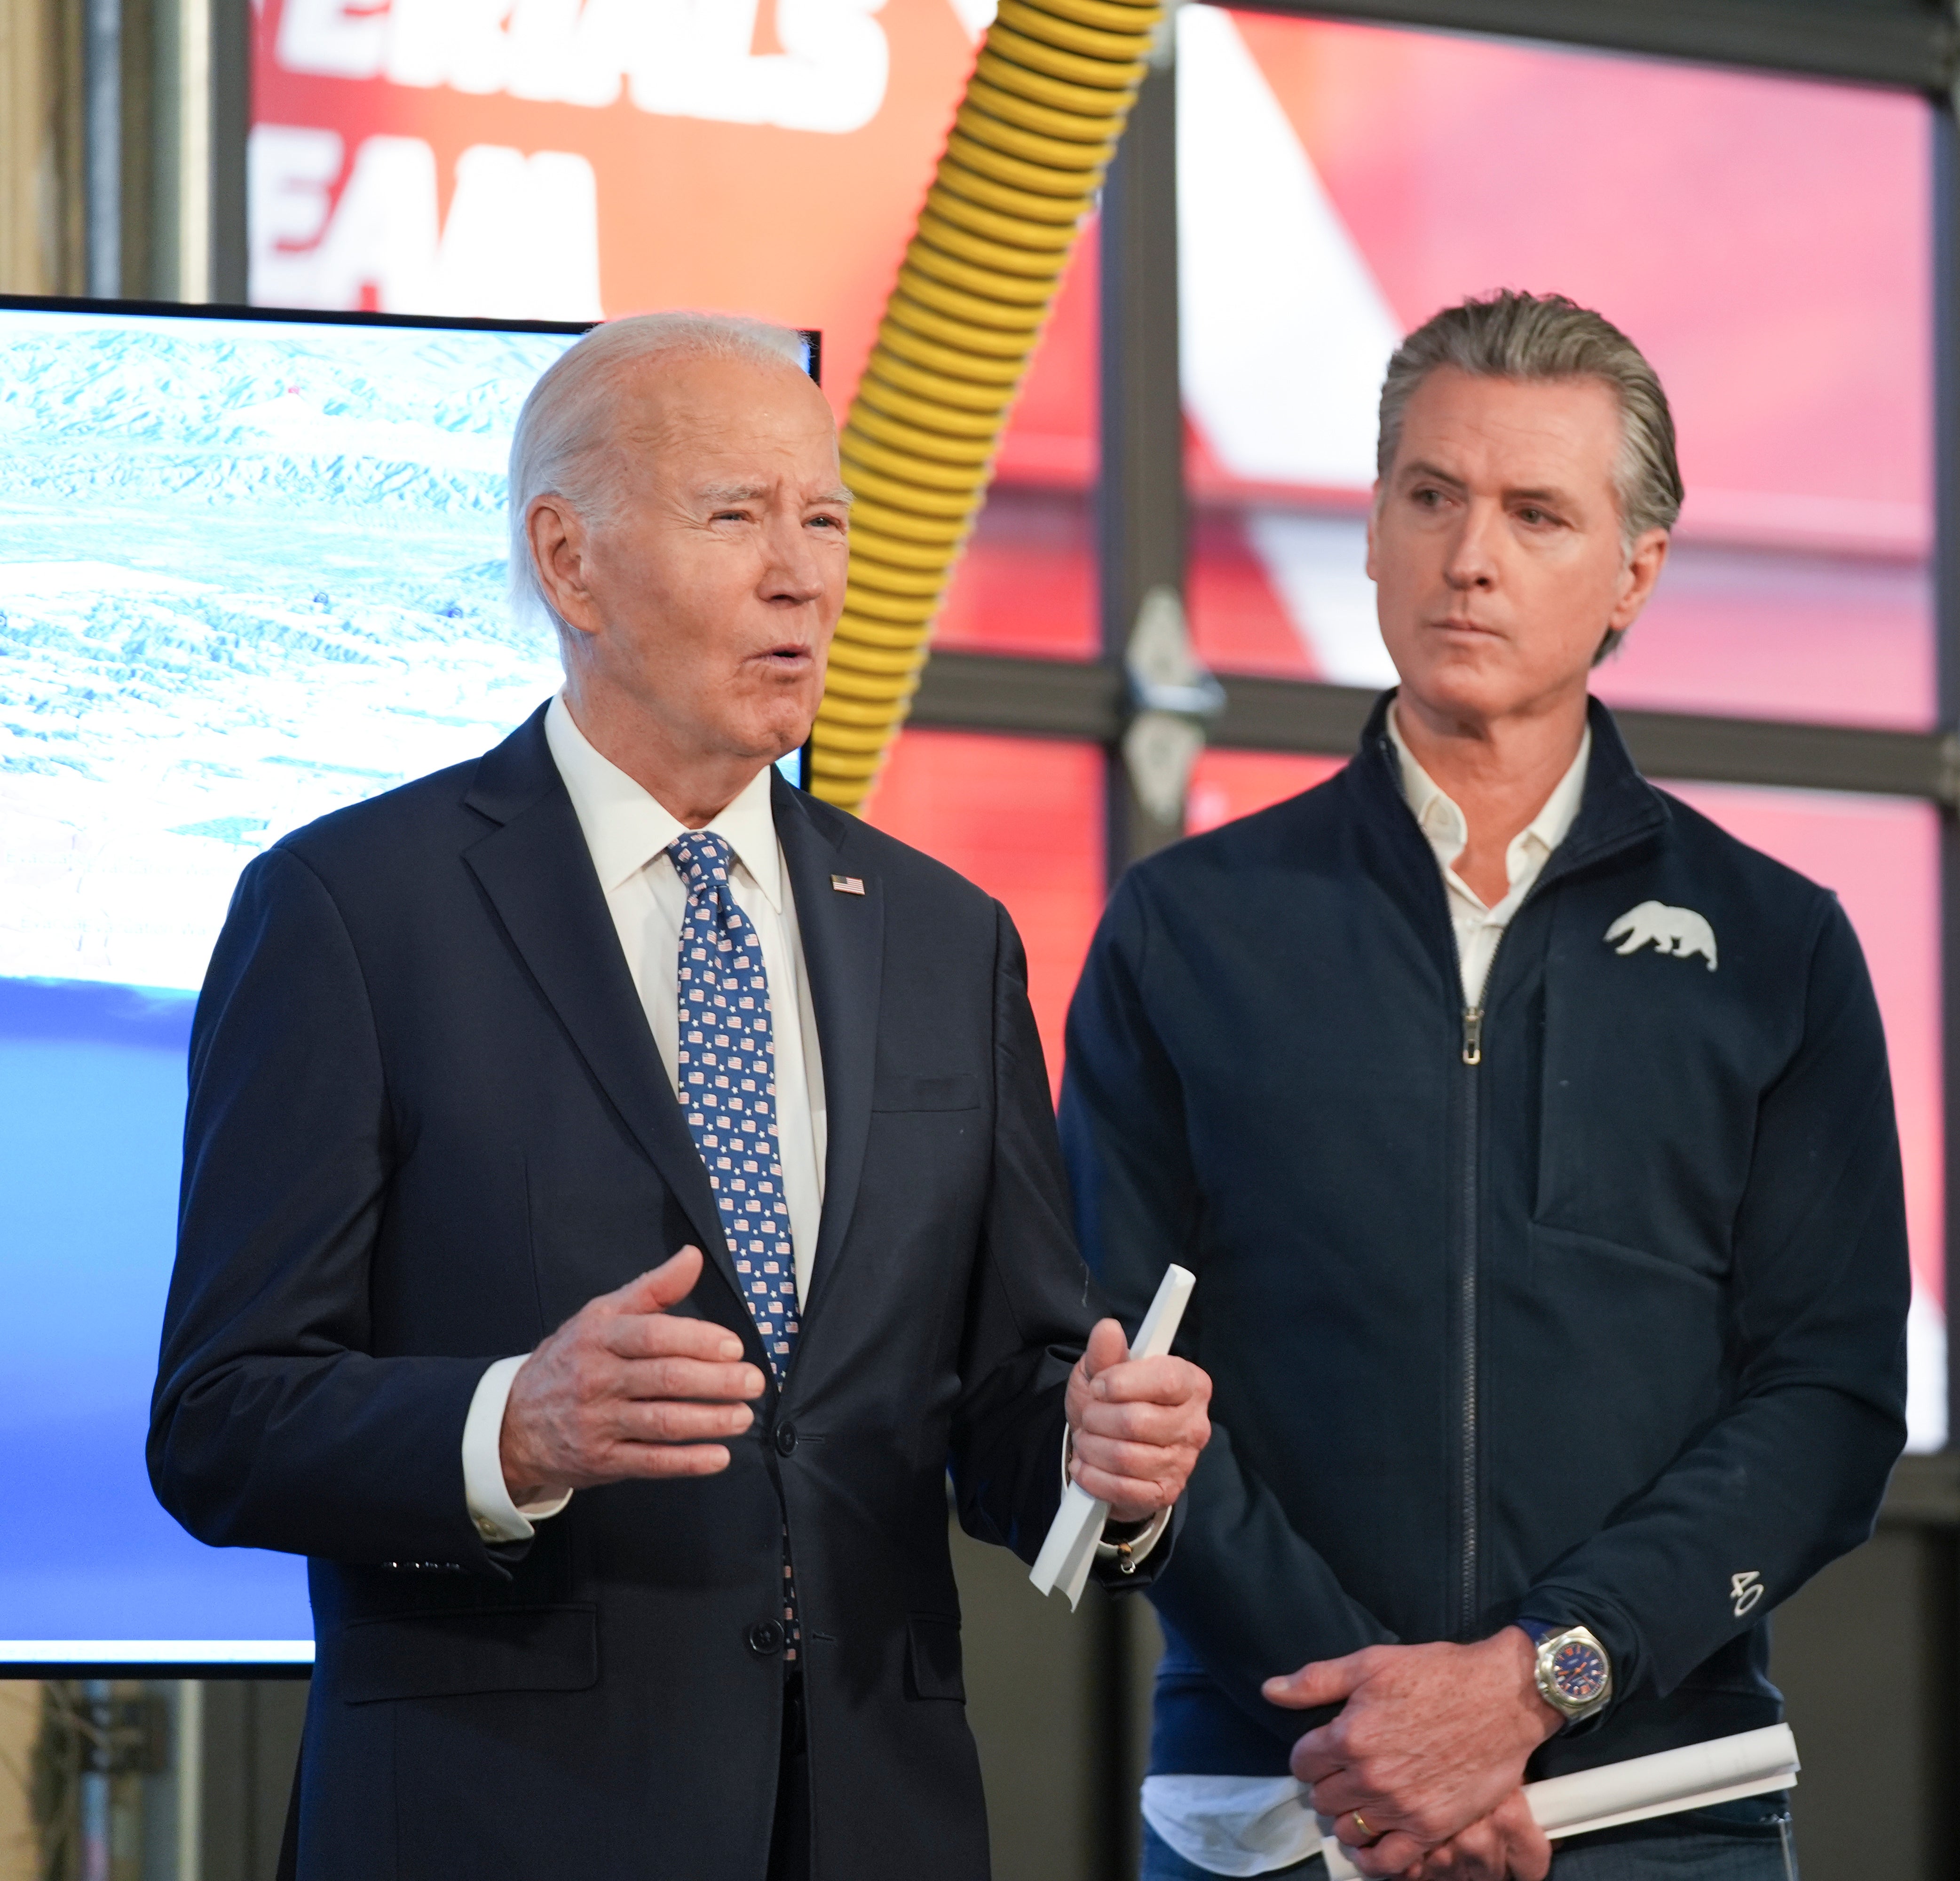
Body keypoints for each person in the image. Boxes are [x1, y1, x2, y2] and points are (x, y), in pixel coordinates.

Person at [147, 312, 1214, 1881]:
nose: (807, 574)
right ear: (569, 563)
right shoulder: (350, 912)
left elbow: (1000, 1394)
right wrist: (514, 1424)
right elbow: (221, 1420)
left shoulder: (945, 938)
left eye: (828, 517)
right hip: (496, 1817)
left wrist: (1094, 1455)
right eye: (738, 516)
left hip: (876, 1817)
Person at [1061, 291, 1912, 1881]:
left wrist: (1532, 1683)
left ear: (1633, 577)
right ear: (1374, 529)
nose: (1471, 556)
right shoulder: (1188, 931)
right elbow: (1124, 1376)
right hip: (1271, 1798)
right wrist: (1388, 1736)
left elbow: (1831, 1403)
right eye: (1431, 496)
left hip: (1654, 1809)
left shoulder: (1780, 949)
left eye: (1537, 513)